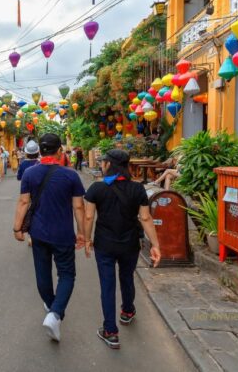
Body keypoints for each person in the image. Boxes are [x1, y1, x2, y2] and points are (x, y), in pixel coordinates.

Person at [83, 149, 161, 349]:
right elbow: (145, 218)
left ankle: (110, 331)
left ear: (109, 165)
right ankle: (127, 311)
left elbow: (89, 217)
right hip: (129, 243)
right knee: (127, 277)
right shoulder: (138, 189)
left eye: (104, 162)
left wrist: (86, 239)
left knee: (107, 285)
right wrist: (155, 245)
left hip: (105, 244)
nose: (101, 164)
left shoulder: (96, 189)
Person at [13, 133, 86, 342]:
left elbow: (23, 202)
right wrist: (82, 233)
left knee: (42, 272)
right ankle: (55, 314)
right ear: (59, 150)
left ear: (40, 151)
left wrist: (17, 228)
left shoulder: (30, 174)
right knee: (67, 275)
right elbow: (78, 206)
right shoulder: (71, 175)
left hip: (38, 233)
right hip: (63, 234)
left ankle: (52, 307)